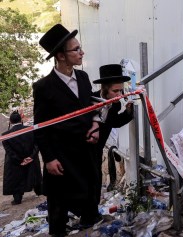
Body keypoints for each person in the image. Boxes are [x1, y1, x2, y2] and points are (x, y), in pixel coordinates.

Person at [33, 24, 101, 237]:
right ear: (61, 56)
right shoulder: (44, 87)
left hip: (85, 151)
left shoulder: (83, 78)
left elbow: (91, 107)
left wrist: (95, 124)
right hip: (61, 156)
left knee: (90, 195)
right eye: (76, 50)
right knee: (59, 203)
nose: (82, 53)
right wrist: (49, 158)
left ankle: (89, 227)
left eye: (80, 48)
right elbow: (40, 127)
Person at [92, 64, 133, 205]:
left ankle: (92, 213)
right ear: (104, 89)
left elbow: (114, 122)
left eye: (121, 91)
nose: (119, 95)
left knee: (95, 181)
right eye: (115, 91)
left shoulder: (115, 104)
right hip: (82, 149)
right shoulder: (90, 101)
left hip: (97, 150)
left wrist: (128, 111)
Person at [2, 111, 42, 205]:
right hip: (31, 160)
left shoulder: (5, 135)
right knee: (34, 175)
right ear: (21, 120)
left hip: (15, 162)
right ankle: (39, 191)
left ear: (10, 122)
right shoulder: (31, 129)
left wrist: (20, 160)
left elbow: (9, 151)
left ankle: (17, 199)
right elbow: (37, 145)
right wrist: (31, 157)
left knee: (16, 179)